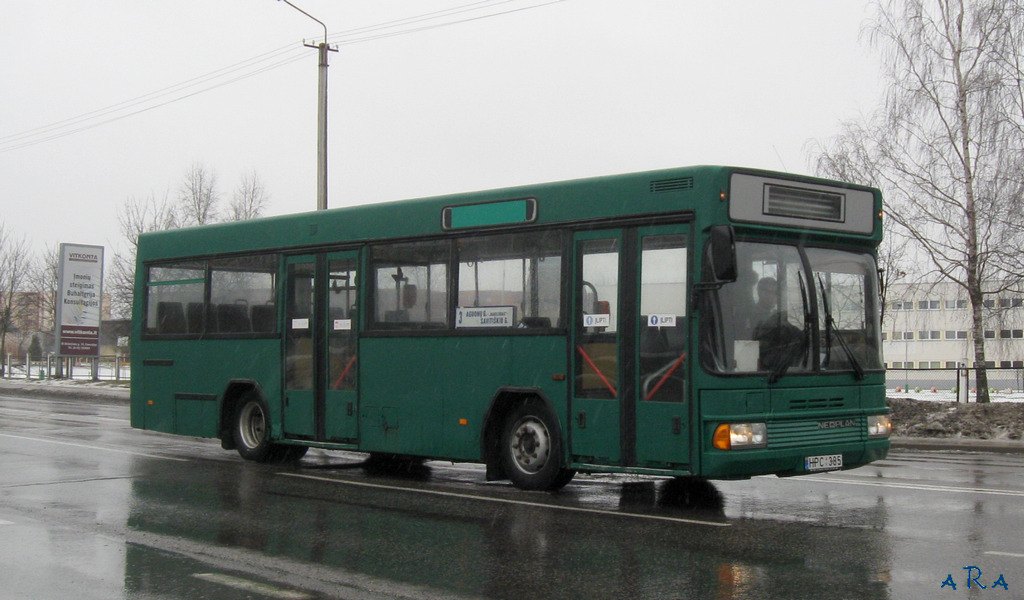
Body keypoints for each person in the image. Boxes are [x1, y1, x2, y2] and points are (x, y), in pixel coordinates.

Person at [749, 277, 804, 370]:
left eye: (774, 293)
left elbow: (793, 333)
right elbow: (753, 341)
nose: (770, 296)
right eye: (766, 292)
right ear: (759, 293)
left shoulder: (777, 315)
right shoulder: (751, 314)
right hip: (761, 364)